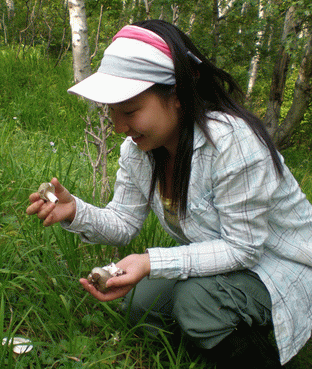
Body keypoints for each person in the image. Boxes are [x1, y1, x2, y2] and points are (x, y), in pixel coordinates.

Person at [26, 19, 312, 368]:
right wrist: (74, 211)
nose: (119, 127)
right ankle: (211, 340)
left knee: (196, 300)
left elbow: (244, 248)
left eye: (130, 111)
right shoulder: (140, 152)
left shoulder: (232, 143)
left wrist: (150, 262)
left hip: (279, 267)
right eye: (112, 113)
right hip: (228, 263)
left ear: (175, 96)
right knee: (139, 305)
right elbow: (123, 221)